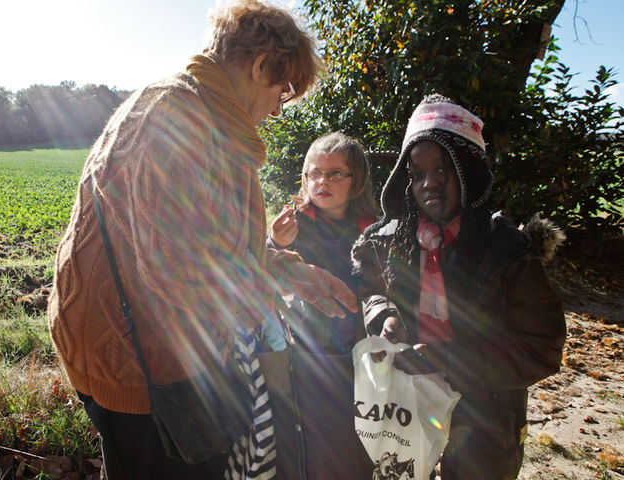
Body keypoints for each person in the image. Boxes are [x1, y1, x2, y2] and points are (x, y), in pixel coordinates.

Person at [46, 2, 358, 479]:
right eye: (283, 89)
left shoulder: (202, 113)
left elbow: (212, 242)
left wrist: (287, 269)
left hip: (149, 344)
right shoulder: (176, 117)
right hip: (134, 361)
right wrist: (270, 292)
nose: (279, 107)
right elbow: (178, 268)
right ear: (260, 66)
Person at [351, 94, 567, 479]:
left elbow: (542, 347)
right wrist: (382, 313)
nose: (429, 183)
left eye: (442, 169)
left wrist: (447, 361)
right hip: (405, 405)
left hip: (485, 416)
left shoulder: (507, 252)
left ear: (468, 172)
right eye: (416, 174)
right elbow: (366, 283)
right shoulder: (387, 242)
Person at [265, 132, 379, 354]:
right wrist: (276, 242)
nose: (323, 181)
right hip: (304, 345)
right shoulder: (294, 223)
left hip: (361, 344)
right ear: (305, 178)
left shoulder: (372, 229)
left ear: (357, 180)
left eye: (336, 174)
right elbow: (264, 268)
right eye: (315, 173)